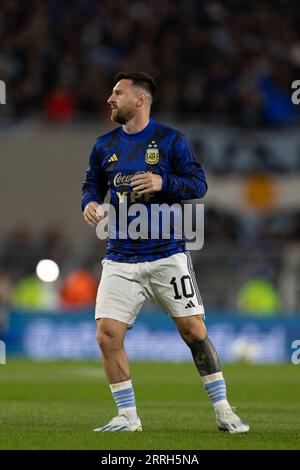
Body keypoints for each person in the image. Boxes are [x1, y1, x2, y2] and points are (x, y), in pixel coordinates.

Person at [81, 71, 249, 434]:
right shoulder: (103, 146)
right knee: (107, 335)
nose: (110, 99)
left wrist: (163, 181)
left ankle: (223, 410)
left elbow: (199, 183)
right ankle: (128, 418)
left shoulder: (172, 141)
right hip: (120, 257)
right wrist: (90, 202)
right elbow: (92, 183)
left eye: (117, 92)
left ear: (139, 100)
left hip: (167, 256)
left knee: (193, 330)